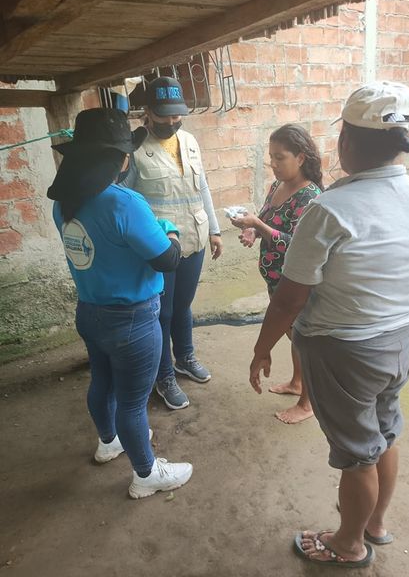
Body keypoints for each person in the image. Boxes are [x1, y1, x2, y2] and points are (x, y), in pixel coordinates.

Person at [248, 81, 409, 568]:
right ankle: (375, 523)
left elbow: (290, 298)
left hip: (343, 348)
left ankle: (348, 544)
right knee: (384, 434)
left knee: (357, 453)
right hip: (399, 336)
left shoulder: (329, 209)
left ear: (346, 141)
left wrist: (262, 348)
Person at [48, 108, 193, 499]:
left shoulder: (63, 203)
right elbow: (167, 259)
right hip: (132, 321)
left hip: (90, 312)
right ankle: (146, 475)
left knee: (103, 383)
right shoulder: (123, 202)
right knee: (133, 403)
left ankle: (108, 442)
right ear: (121, 159)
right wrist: (170, 230)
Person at [129, 76, 223, 411]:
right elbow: (125, 198)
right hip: (159, 245)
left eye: (177, 114)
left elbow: (203, 187)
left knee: (183, 305)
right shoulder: (133, 148)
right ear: (148, 111)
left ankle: (184, 357)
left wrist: (215, 230)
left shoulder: (190, 141)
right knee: (162, 312)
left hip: (194, 237)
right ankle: (163, 375)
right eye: (164, 115)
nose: (172, 121)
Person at [230, 124, 322, 423]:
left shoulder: (310, 197)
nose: (273, 164)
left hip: (296, 284)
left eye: (280, 157)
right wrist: (253, 231)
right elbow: (268, 219)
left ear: (301, 157)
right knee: (293, 334)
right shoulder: (277, 186)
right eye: (271, 157)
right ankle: (297, 382)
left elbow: (296, 243)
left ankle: (307, 403)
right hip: (276, 282)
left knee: (304, 340)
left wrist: (258, 225)